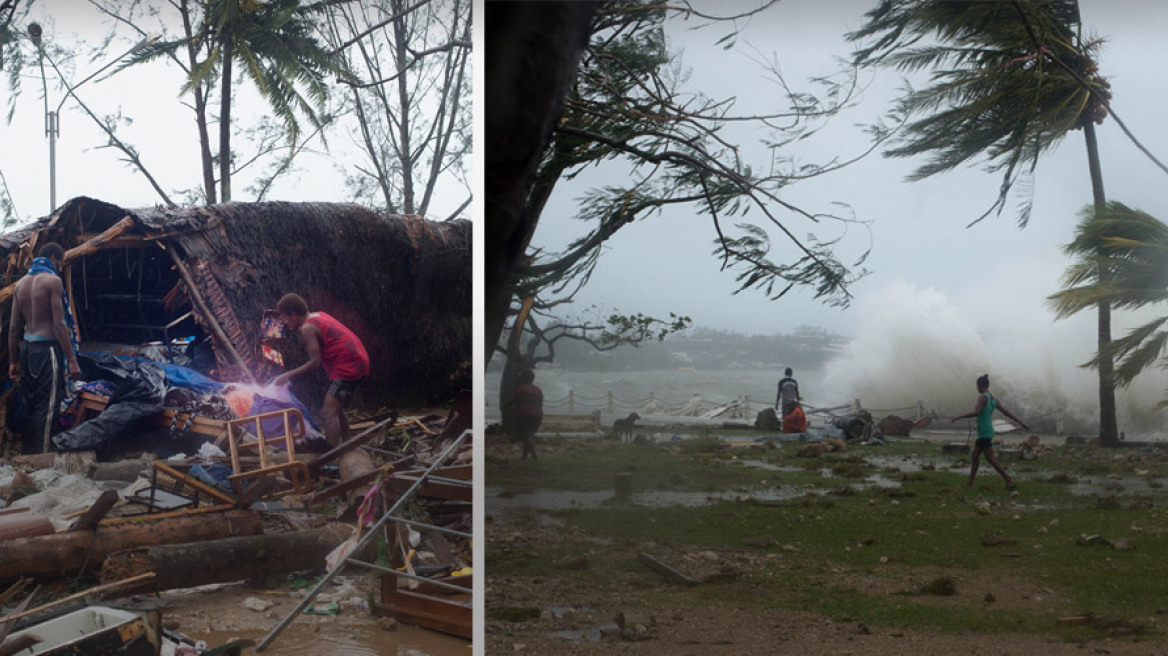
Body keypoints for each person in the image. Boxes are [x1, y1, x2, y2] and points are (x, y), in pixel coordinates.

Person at [8, 242, 82, 454]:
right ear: (54, 258)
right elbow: (59, 325)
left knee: (29, 403)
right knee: (47, 406)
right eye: (61, 264)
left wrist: (13, 361)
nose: (60, 268)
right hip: (47, 350)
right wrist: (72, 360)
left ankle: (28, 454)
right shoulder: (52, 282)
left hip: (26, 349)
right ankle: (42, 456)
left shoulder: (21, 285)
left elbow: (14, 328)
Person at [273, 293, 370, 447]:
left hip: (348, 365)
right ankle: (348, 444)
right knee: (336, 408)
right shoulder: (318, 315)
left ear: (294, 315)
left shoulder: (307, 328)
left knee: (328, 412)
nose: (284, 322)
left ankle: (330, 452)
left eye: (285, 318)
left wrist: (287, 375)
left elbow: (315, 363)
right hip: (358, 358)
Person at [950, 374, 1029, 490]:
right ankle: (1004, 480)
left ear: (980, 385)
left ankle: (1006, 480)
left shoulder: (982, 397)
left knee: (983, 457)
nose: (976, 388)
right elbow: (1006, 412)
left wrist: (959, 417)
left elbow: (976, 412)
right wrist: (1020, 422)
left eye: (977, 386)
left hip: (984, 432)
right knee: (981, 457)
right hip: (988, 431)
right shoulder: (993, 399)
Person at [511, 369, 543, 460]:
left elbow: (515, 401)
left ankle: (535, 457)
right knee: (527, 436)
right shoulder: (538, 389)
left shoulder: (520, 390)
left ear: (522, 378)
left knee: (525, 436)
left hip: (525, 415)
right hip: (538, 416)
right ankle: (524, 457)